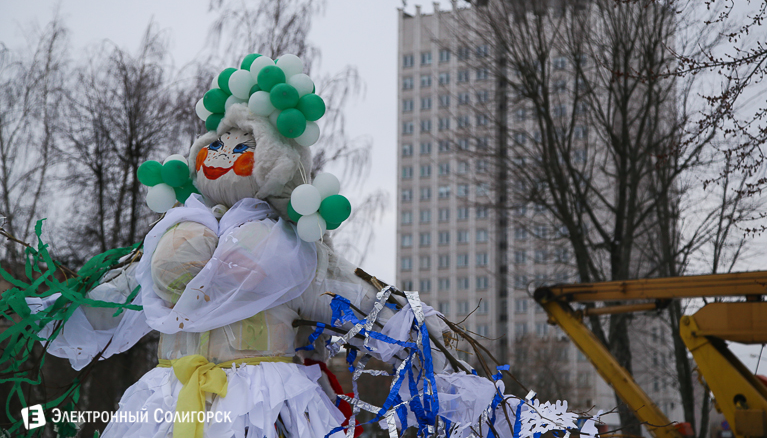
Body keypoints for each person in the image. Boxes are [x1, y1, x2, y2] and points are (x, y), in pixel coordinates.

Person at [29, 54, 599, 438]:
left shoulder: (290, 248)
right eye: (220, 139)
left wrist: (415, 332)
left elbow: (354, 301)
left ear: (275, 156)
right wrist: (49, 314)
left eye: (244, 139)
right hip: (166, 401)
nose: (226, 150)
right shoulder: (174, 231)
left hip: (265, 403)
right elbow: (117, 298)